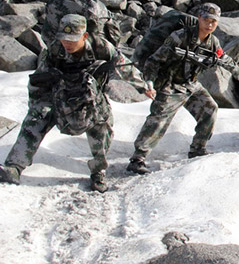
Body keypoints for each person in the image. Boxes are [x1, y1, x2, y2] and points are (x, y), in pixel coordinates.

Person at [0, 14, 150, 192]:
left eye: (72, 39)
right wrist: (36, 105)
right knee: (37, 117)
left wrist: (144, 87)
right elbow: (38, 81)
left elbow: (125, 68)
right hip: (59, 94)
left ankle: (98, 172)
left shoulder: (101, 48)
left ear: (84, 36)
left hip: (91, 96)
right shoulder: (54, 51)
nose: (67, 43)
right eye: (64, 38)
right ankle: (14, 167)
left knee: (103, 125)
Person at [127, 3, 239, 174]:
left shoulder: (213, 42)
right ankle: (138, 158)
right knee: (159, 119)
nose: (210, 24)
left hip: (191, 84)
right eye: (206, 19)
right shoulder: (179, 37)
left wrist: (238, 72)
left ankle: (198, 148)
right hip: (170, 84)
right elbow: (154, 60)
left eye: (214, 21)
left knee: (210, 109)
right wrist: (149, 81)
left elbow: (223, 58)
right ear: (199, 18)